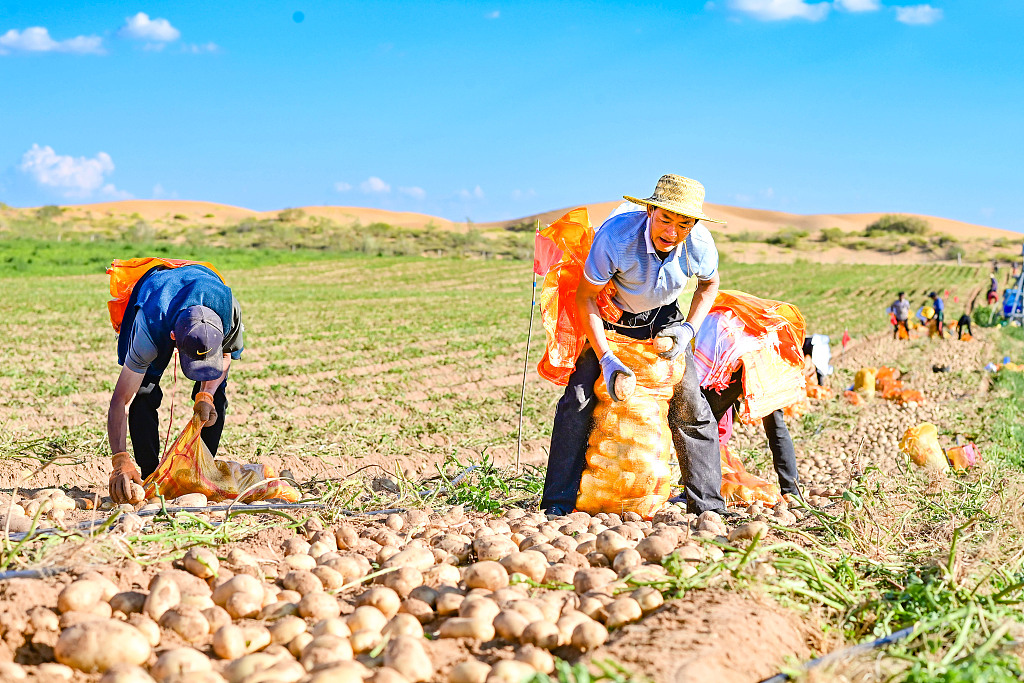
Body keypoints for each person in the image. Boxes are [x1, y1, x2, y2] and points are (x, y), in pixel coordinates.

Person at [540, 174, 727, 516]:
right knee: (578, 400)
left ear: (695, 223)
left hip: (664, 317)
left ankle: (708, 507)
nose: (672, 232)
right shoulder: (616, 237)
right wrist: (606, 358)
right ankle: (557, 504)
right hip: (610, 314)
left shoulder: (699, 243)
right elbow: (586, 299)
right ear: (650, 211)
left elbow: (709, 286)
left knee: (692, 407)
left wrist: (687, 329)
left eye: (684, 223)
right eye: (665, 219)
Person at [107, 264, 244, 504]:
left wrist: (207, 395)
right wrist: (119, 460)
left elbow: (224, 356)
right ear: (174, 339)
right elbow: (121, 401)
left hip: (205, 288)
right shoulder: (148, 330)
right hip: (157, 299)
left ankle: (200, 473)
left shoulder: (229, 311)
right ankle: (149, 475)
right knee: (144, 391)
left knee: (216, 400)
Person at [702, 373, 801, 499]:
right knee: (776, 426)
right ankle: (792, 491)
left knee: (707, 420)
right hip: (766, 366)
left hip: (738, 361)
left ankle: (698, 488)